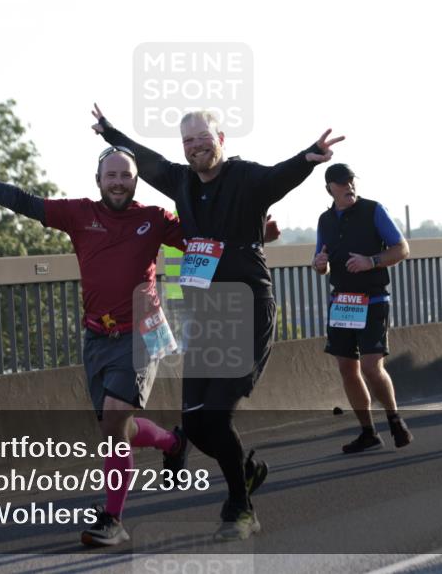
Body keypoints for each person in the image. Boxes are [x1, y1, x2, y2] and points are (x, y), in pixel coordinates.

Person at [91, 103, 344, 541]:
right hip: (206, 315)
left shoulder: (245, 178)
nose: (195, 148)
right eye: (187, 142)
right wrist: (109, 131)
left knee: (216, 416)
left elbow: (277, 177)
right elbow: (146, 160)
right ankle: (245, 471)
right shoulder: (182, 182)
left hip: (247, 311)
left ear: (221, 140)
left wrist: (310, 155)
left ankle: (240, 509)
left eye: (203, 140)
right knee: (194, 425)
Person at [0, 147, 189, 547]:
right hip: (96, 337)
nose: (118, 182)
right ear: (99, 180)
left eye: (126, 175)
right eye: (111, 175)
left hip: (142, 331)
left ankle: (113, 519)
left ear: (136, 180)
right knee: (114, 426)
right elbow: (23, 202)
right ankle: (172, 442)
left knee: (113, 426)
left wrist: (254, 232)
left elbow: (203, 239)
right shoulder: (79, 214)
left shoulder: (154, 219)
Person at [312, 164, 413, 453]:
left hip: (373, 299)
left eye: (352, 182)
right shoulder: (325, 220)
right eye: (342, 184)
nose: (349, 187)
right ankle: (368, 432)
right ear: (329, 188)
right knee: (347, 368)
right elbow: (321, 261)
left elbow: (402, 249)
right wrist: (320, 265)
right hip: (342, 302)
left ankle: (394, 418)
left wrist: (371, 261)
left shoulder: (373, 210)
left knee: (371, 366)